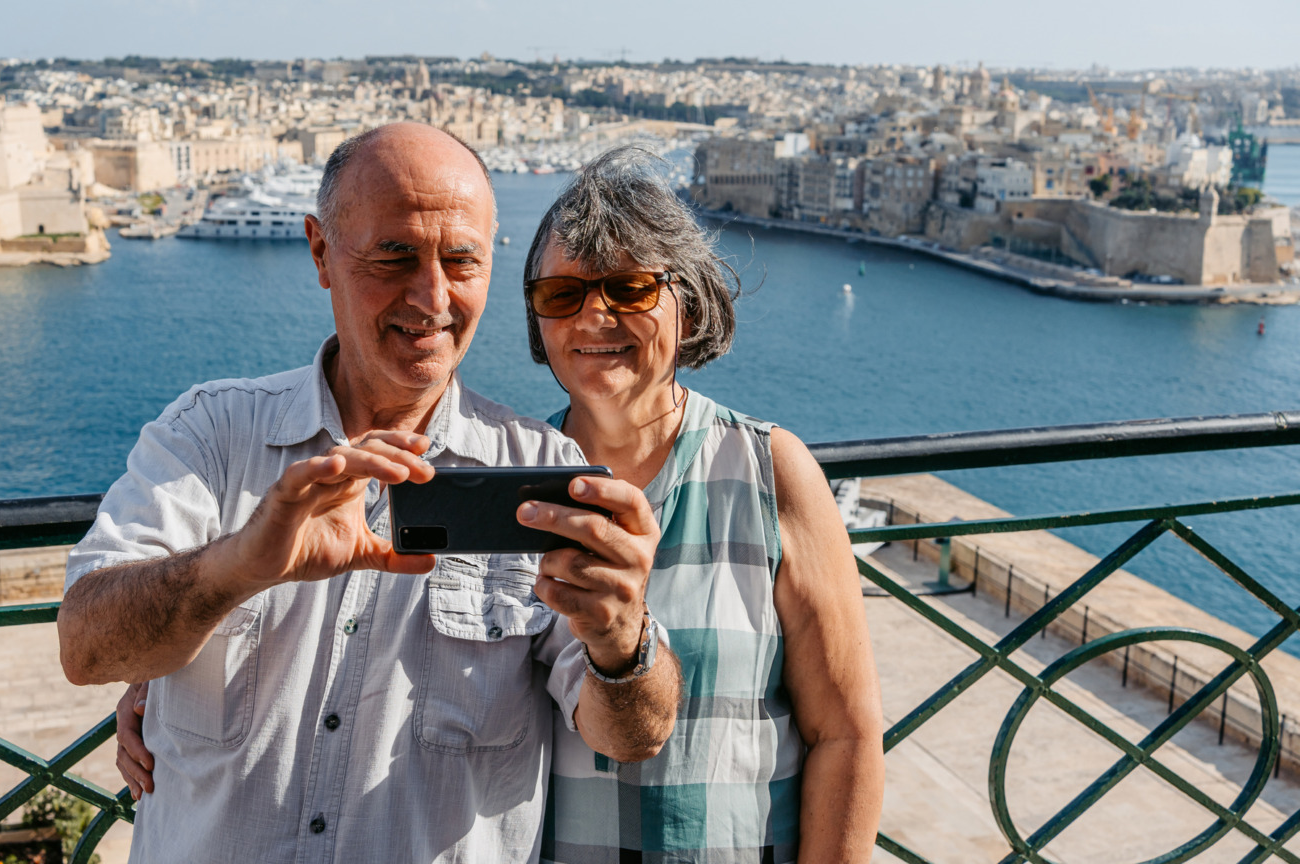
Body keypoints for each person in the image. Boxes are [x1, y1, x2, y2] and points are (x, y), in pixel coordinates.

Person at [59, 123, 681, 864]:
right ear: (321, 251)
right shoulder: (213, 434)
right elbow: (86, 647)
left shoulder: (544, 468)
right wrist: (239, 565)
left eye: (462, 261)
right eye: (394, 257)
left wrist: (622, 640)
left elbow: (632, 736)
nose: (433, 296)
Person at [525, 148, 884, 863]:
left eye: (629, 289)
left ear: (686, 307)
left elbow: (846, 734)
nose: (594, 313)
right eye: (563, 294)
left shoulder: (768, 471)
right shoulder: (519, 484)